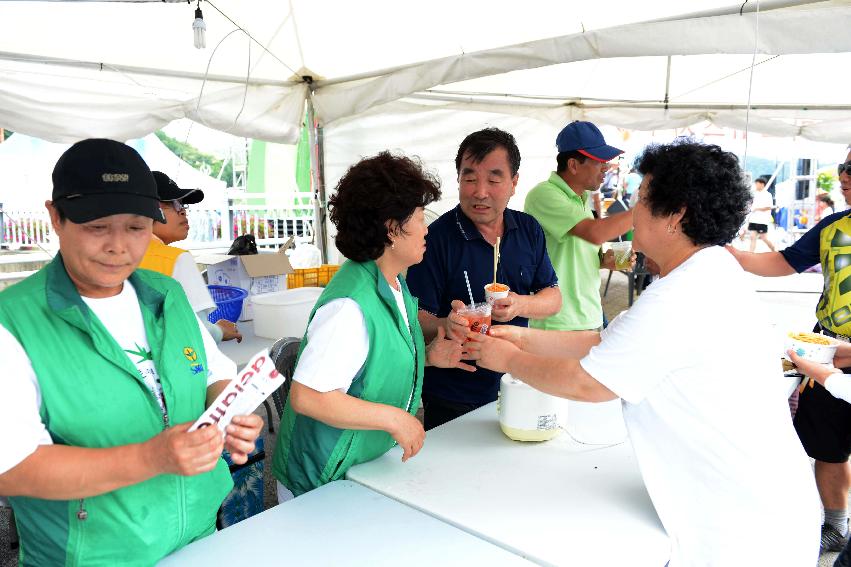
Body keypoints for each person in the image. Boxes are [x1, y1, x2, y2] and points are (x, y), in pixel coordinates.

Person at [466, 140, 820, 566]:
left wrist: (505, 359)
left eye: (642, 200)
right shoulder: (713, 271)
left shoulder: (681, 294)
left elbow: (588, 382)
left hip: (741, 526)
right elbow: (606, 343)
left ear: (676, 215)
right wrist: (518, 338)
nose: (632, 212)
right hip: (764, 500)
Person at [0, 139, 263, 566]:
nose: (119, 246)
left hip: (196, 535)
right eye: (97, 226)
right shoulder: (13, 324)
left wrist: (229, 413)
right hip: (93, 555)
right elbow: (10, 469)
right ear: (55, 217)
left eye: (137, 227)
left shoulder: (168, 295)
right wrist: (150, 457)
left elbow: (213, 376)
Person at [272, 151, 473, 501]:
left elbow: (366, 363)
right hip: (320, 479)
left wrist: (426, 357)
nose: (427, 230)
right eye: (420, 218)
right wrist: (395, 419)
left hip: (358, 465)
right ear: (392, 229)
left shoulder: (392, 281)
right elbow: (309, 396)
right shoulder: (348, 306)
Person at [727, 148, 851, 554]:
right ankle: (836, 525)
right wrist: (726, 254)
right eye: (844, 166)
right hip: (827, 350)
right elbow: (784, 262)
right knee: (827, 445)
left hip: (840, 356)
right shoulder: (833, 227)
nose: (845, 175)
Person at [405, 128, 561, 430]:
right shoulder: (435, 238)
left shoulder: (528, 229)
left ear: (514, 183)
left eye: (493, 179)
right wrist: (446, 324)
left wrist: (518, 305)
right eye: (470, 178)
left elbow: (553, 299)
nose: (480, 191)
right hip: (454, 395)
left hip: (517, 383)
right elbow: (415, 316)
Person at [524, 121, 633, 331]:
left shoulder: (582, 199)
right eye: (599, 161)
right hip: (557, 322)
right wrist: (645, 209)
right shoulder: (545, 194)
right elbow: (595, 233)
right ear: (573, 165)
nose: (606, 167)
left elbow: (574, 251)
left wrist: (603, 260)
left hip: (589, 316)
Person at [139, 171, 241, 343]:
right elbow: (196, 332)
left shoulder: (115, 258)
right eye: (176, 204)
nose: (183, 212)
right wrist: (220, 331)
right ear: (152, 210)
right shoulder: (177, 260)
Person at [746, 177, 777, 253]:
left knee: (764, 238)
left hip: (762, 220)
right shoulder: (754, 194)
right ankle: (751, 253)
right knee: (752, 237)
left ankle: (774, 249)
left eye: (757, 184)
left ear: (762, 184)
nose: (756, 185)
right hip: (753, 219)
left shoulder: (767, 195)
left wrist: (757, 209)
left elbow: (769, 207)